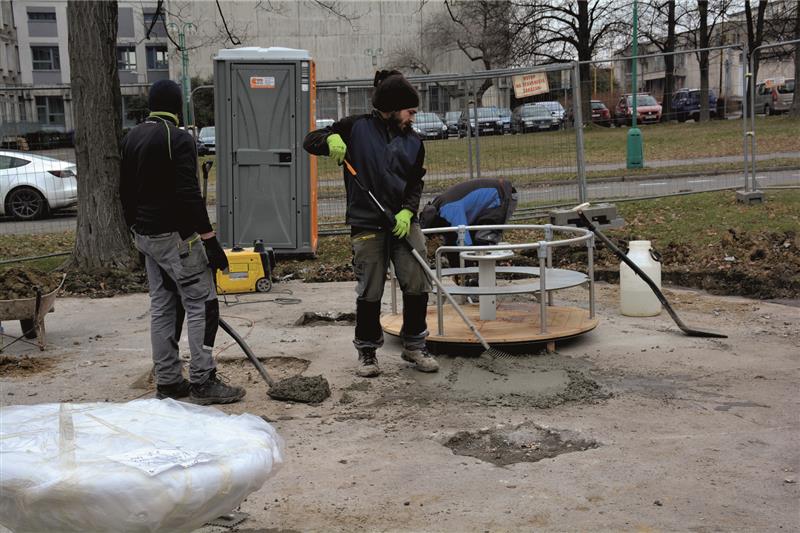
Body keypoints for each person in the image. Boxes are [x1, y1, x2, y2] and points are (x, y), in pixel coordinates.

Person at [303, 70, 438, 378]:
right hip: (367, 223)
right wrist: (330, 138)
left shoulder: (415, 142)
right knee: (370, 289)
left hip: (403, 222)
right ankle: (367, 352)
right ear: (391, 107)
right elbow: (310, 141)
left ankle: (415, 345)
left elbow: (415, 182)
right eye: (410, 110)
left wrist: (408, 211)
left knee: (417, 281)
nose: (413, 116)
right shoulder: (356, 128)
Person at [120, 79, 245, 405]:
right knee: (204, 304)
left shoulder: (133, 136)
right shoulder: (178, 139)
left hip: (147, 237)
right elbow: (189, 195)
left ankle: (169, 381)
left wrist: (136, 229)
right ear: (178, 107)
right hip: (177, 239)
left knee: (164, 306)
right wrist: (211, 241)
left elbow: (124, 191)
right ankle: (203, 381)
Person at [419, 178, 518, 272]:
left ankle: (484, 281)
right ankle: (478, 278)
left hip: (502, 196)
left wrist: (465, 273)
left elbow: (464, 244)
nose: (436, 238)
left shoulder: (449, 210)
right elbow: (451, 241)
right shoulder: (439, 205)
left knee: (482, 241)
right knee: (470, 241)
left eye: (435, 236)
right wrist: (456, 270)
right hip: (493, 197)